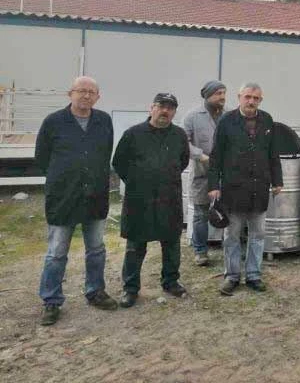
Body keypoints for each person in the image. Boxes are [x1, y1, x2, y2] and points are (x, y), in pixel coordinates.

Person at [35, 76, 117, 326]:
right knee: (57, 252)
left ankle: (95, 291)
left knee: (96, 249)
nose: (86, 96)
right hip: (64, 197)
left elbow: (105, 154)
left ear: (98, 97)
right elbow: (42, 157)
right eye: (81, 91)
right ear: (70, 93)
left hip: (94, 196)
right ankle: (51, 300)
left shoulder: (103, 120)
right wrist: (64, 178)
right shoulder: (54, 122)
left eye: (91, 92)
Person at [113, 93, 190, 308]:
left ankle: (171, 281)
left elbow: (182, 161)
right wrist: (139, 182)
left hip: (169, 198)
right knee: (135, 246)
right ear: (151, 108)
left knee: (171, 243)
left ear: (174, 112)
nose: (165, 111)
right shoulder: (133, 134)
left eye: (170, 108)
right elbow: (119, 163)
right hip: (140, 200)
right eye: (161, 106)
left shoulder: (179, 135)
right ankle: (130, 288)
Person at [208, 83, 283, 295]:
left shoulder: (267, 120)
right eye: (247, 97)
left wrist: (277, 180)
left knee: (258, 235)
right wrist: (214, 185)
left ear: (261, 100)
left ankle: (253, 275)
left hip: (259, 189)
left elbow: (272, 154)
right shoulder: (226, 122)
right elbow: (216, 157)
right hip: (233, 190)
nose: (251, 101)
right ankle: (231, 276)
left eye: (256, 98)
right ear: (239, 97)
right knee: (232, 235)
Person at [182, 80, 227, 266]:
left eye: (224, 93)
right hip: (202, 174)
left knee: (229, 212)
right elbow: (184, 142)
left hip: (227, 174)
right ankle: (200, 251)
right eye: (218, 93)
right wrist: (201, 156)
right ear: (207, 96)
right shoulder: (192, 116)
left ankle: (229, 247)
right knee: (200, 214)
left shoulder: (230, 115)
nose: (222, 97)